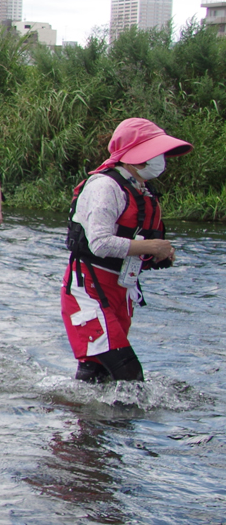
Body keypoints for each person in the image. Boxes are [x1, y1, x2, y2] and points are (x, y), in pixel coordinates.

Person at [62, 117, 192, 384]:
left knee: (97, 375)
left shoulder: (141, 189)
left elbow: (134, 240)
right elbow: (100, 243)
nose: (161, 159)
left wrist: (157, 254)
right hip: (90, 291)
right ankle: (124, 424)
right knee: (129, 376)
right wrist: (151, 246)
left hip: (121, 290)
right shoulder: (105, 187)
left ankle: (84, 421)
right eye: (156, 152)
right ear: (135, 156)